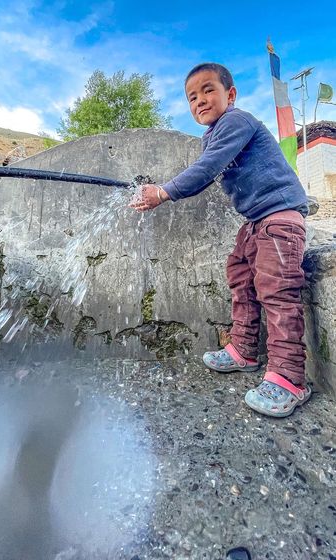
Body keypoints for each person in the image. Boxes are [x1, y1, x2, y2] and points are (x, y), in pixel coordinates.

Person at [130, 62, 311, 418]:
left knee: (277, 291)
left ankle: (290, 377)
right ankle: (243, 348)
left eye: (208, 90)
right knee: (240, 276)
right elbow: (207, 166)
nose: (199, 100)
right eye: (191, 97)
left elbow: (207, 169)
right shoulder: (211, 135)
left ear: (230, 95)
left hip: (280, 218)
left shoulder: (236, 122)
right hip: (257, 221)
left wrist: (163, 191)